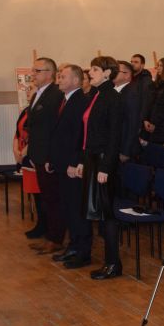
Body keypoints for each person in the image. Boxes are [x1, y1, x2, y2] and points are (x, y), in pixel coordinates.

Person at [82, 56, 124, 280]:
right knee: (100, 212)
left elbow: (114, 136)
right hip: (93, 159)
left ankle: (113, 264)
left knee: (107, 214)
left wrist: (105, 167)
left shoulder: (112, 97)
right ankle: (110, 261)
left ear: (108, 73)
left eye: (95, 69)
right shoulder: (97, 94)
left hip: (104, 162)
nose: (90, 72)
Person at [47, 64, 92, 269]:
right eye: (59, 76)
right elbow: (58, 134)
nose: (59, 79)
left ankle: (82, 252)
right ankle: (73, 246)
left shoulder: (81, 101)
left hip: (73, 166)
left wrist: (74, 163)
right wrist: (53, 160)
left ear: (75, 80)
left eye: (63, 76)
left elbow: (80, 137)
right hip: (62, 164)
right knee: (68, 208)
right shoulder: (64, 99)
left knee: (77, 210)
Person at [24, 58, 63, 250]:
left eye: (37, 71)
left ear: (49, 73)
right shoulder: (37, 94)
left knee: (53, 198)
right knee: (46, 198)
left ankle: (55, 239)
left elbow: (54, 129)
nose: (32, 74)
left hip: (48, 156)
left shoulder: (55, 94)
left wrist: (49, 156)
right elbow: (33, 126)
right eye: (33, 70)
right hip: (38, 154)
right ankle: (49, 235)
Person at [114, 61, 141, 163]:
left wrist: (126, 151)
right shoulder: (114, 91)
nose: (112, 73)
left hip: (123, 148)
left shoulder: (131, 93)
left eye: (116, 71)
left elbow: (133, 123)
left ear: (127, 75)